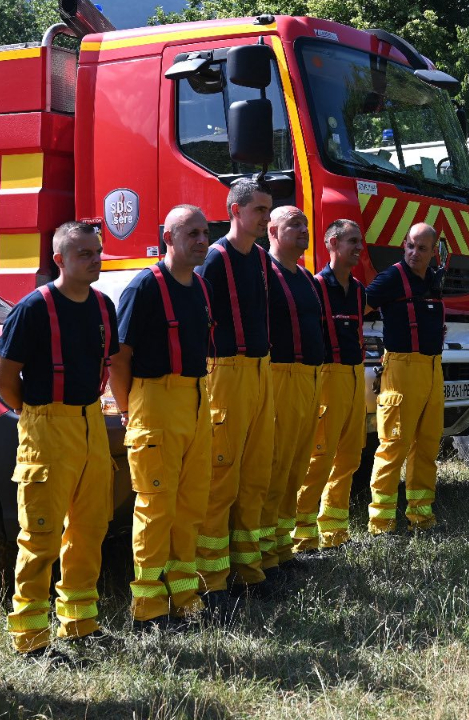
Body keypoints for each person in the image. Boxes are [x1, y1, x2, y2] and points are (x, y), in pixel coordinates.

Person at [0, 221, 119, 661]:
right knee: (40, 536)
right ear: (60, 259)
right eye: (84, 253)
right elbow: (5, 379)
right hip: (46, 425)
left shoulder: (104, 306)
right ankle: (30, 640)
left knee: (89, 529)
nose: (95, 259)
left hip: (90, 424)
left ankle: (80, 625)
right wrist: (37, 413)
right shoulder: (33, 308)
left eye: (98, 251)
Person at [111, 205, 214, 629]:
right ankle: (149, 609)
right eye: (192, 233)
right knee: (156, 509)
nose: (202, 241)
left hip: (194, 399)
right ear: (168, 237)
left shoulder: (201, 287)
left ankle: (185, 598)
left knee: (190, 506)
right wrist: (130, 408)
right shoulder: (144, 288)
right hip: (154, 400)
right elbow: (118, 358)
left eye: (205, 233)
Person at [197, 178, 276, 603]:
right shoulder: (214, 260)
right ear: (235, 211)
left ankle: (250, 569)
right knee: (222, 477)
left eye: (267, 210)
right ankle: (211, 583)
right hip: (226, 373)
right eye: (258, 210)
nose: (265, 218)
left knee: (256, 473)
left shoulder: (261, 260)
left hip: (261, 371)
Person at [366, 223, 446, 533]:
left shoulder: (433, 281)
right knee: (394, 446)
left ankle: (421, 517)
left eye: (422, 248)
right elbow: (362, 307)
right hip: (401, 369)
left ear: (433, 252)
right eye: (411, 246)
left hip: (432, 369)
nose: (414, 253)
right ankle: (381, 523)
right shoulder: (391, 278)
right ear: (404, 244)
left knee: (427, 445)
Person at [294, 219, 367, 551]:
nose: (359, 248)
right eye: (352, 241)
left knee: (349, 457)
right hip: (327, 377)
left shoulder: (358, 290)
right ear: (333, 244)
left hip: (354, 376)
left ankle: (334, 532)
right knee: (318, 458)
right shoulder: (316, 286)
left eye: (360, 241)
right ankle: (303, 535)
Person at [261, 206, 325, 573]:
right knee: (276, 463)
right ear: (272, 231)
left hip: (309, 378)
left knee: (298, 464)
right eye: (293, 225)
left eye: (304, 223)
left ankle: (284, 548)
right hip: (279, 378)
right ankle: (265, 553)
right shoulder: (265, 274)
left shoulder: (306, 277)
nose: (303, 229)